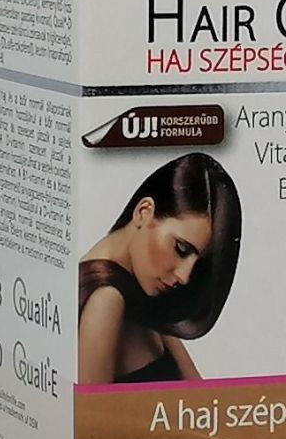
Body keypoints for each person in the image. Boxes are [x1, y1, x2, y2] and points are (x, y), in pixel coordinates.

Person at [78, 153, 241, 384]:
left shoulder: (141, 290)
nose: (184, 277)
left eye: (197, 262)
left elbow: (200, 394)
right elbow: (92, 411)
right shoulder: (106, 298)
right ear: (143, 212)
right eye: (181, 249)